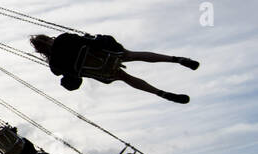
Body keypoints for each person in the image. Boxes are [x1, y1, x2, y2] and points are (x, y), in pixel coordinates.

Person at [29, 33, 197, 103]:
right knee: (133, 55)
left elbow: (72, 78)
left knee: (126, 78)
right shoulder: (63, 38)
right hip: (108, 55)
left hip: (103, 71)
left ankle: (160, 93)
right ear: (47, 39)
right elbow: (88, 40)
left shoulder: (54, 66)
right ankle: (176, 59)